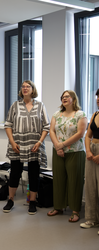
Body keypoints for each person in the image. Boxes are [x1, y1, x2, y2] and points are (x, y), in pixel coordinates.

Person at [3, 80, 50, 215]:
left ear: (32, 89)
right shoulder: (15, 105)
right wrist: (12, 142)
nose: (25, 88)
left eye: (27, 86)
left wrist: (40, 142)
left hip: (34, 145)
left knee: (33, 174)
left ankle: (32, 202)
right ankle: (10, 200)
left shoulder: (40, 106)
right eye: (23, 86)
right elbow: (8, 124)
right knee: (15, 173)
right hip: (17, 144)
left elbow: (46, 126)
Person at [47, 90, 87, 222]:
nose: (64, 98)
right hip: (58, 151)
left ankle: (75, 210)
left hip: (75, 152)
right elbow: (51, 130)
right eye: (62, 97)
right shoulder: (56, 114)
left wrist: (62, 144)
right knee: (58, 179)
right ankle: (58, 207)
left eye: (67, 96)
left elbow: (80, 133)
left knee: (75, 181)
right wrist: (58, 146)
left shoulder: (80, 114)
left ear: (73, 99)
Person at [80, 89, 99, 231]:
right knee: (90, 186)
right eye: (97, 97)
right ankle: (92, 219)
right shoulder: (95, 114)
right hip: (92, 151)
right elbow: (88, 135)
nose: (98, 99)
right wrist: (88, 151)